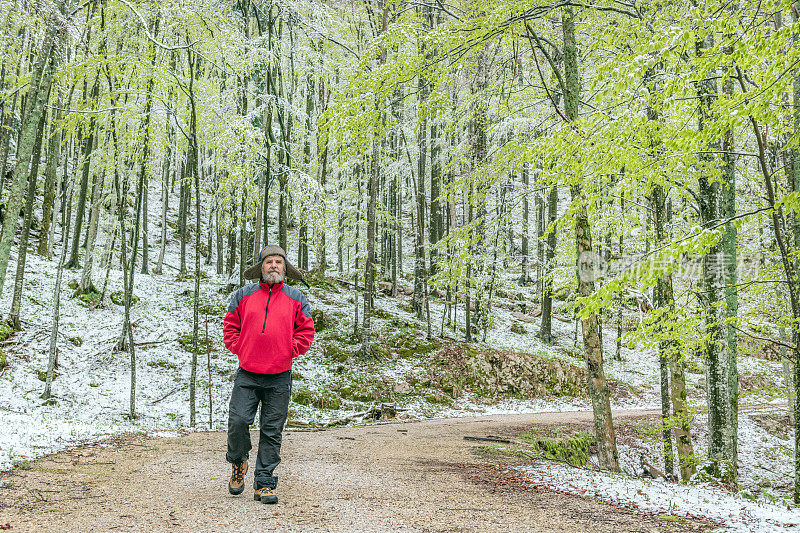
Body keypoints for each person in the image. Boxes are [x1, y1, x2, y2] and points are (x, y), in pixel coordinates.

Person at [223, 244, 314, 504]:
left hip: (279, 375)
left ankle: (264, 483)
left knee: (272, 430)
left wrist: (289, 349)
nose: (273, 265)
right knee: (238, 421)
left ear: (284, 268)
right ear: (261, 268)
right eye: (268, 262)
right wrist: (240, 347)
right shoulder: (243, 295)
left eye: (278, 262)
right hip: (247, 373)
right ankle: (238, 462)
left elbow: (306, 331)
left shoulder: (297, 298)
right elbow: (230, 325)